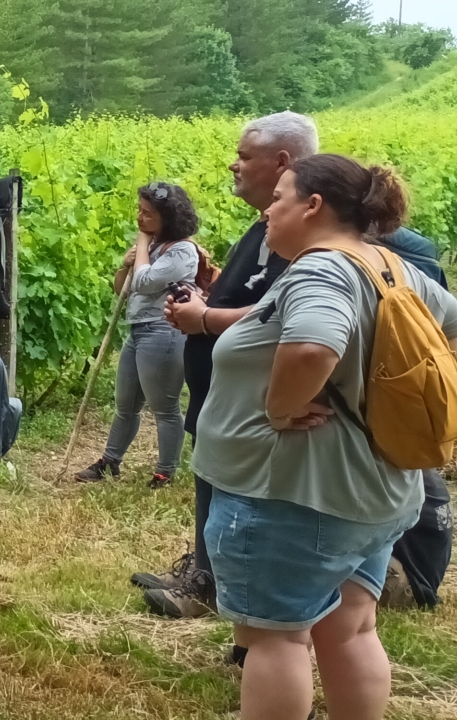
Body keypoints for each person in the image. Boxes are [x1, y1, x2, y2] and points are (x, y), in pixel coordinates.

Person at [195, 153, 457, 720]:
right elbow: (450, 329)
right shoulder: (388, 265)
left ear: (313, 205)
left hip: (292, 494)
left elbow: (314, 347)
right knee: (352, 628)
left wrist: (280, 407)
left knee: (276, 639)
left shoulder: (322, 270)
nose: (267, 211)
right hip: (373, 489)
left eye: (278, 198)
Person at [139, 112, 313, 618]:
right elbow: (257, 294)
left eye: (244, 156)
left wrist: (206, 317)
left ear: (282, 161)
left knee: (237, 490)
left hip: (249, 397)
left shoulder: (302, 233)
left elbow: (281, 310)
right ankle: (205, 570)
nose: (233, 165)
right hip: (220, 390)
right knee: (211, 477)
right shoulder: (267, 223)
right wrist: (208, 295)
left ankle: (217, 585)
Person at [76, 183, 201, 487]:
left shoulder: (182, 251)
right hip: (139, 330)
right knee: (126, 404)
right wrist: (126, 264)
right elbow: (124, 288)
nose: (140, 218)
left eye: (148, 214)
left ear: (167, 218)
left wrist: (142, 244)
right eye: (139, 211)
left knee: (164, 407)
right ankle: (110, 461)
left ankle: (165, 471)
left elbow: (145, 282)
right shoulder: (154, 247)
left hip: (163, 331)